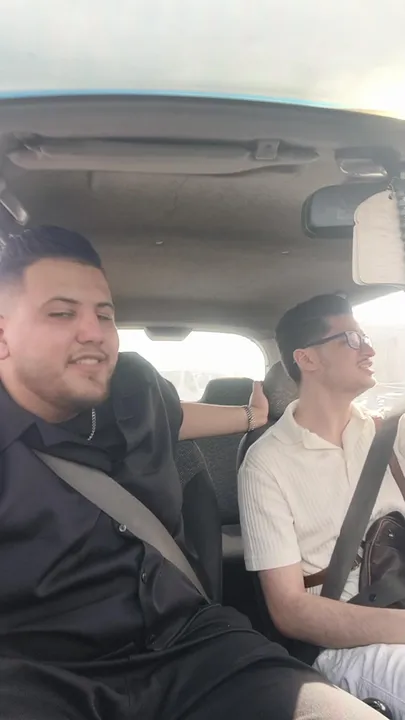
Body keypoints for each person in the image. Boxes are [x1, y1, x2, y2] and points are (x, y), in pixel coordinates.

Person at [0, 230, 378, 720]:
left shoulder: (134, 387)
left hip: (192, 645)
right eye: (61, 313)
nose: (93, 331)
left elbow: (175, 415)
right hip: (37, 674)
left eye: (105, 314)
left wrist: (252, 417)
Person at [238, 293, 405, 719]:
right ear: (307, 359)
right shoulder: (266, 463)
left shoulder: (393, 436)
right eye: (351, 339)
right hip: (347, 646)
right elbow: (290, 611)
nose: (369, 350)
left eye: (366, 337)